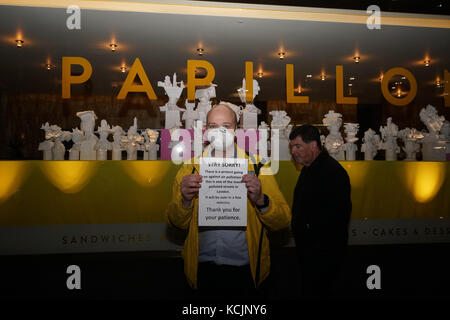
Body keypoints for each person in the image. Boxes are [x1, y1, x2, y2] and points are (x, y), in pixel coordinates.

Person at [166, 103, 291, 300]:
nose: (220, 132)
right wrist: (185, 200)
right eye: (213, 126)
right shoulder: (190, 167)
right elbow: (176, 222)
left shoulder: (258, 165)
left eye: (226, 125)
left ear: (237, 130)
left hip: (245, 269)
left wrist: (261, 200)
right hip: (202, 268)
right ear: (206, 130)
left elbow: (282, 221)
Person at [289, 124, 352, 298]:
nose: (293, 151)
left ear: (314, 145)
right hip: (310, 254)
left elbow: (337, 218)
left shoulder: (333, 172)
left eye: (298, 146)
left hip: (323, 257)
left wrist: (309, 237)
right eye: (292, 147)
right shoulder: (308, 169)